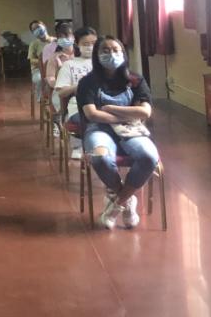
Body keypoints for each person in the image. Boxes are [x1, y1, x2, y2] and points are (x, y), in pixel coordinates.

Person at [78, 36, 158, 230]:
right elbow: (92, 114)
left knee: (149, 157)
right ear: (97, 55)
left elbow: (145, 112)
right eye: (105, 51)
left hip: (131, 129)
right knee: (100, 158)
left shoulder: (135, 80)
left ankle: (117, 203)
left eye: (115, 50)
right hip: (99, 129)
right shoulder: (88, 82)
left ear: (123, 53)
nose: (111, 54)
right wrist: (126, 114)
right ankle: (127, 200)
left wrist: (109, 108)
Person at [54, 26, 98, 161]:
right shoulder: (69, 65)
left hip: (103, 104)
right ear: (77, 44)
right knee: (93, 119)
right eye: (86, 44)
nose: (90, 47)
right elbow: (61, 92)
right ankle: (81, 145)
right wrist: (80, 85)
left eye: (93, 43)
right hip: (78, 108)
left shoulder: (102, 64)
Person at [27, 20, 51, 104]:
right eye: (34, 29)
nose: (37, 30)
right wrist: (44, 62)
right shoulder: (34, 44)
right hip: (39, 69)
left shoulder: (55, 41)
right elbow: (32, 60)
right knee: (39, 79)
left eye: (38, 27)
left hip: (54, 68)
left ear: (44, 26)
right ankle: (42, 100)